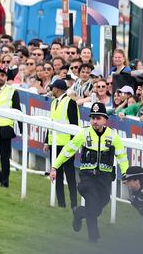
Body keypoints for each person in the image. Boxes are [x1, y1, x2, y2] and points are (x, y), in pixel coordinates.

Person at [49, 102, 129, 242]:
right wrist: (54, 167)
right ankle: (94, 237)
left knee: (98, 206)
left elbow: (122, 157)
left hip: (104, 179)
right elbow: (68, 151)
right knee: (92, 202)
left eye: (98, 118)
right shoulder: (83, 133)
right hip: (87, 178)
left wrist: (126, 174)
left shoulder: (113, 136)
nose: (95, 121)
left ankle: (79, 213)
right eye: (93, 118)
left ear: (105, 120)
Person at [44, 79, 80, 209]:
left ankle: (74, 204)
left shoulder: (70, 102)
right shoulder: (54, 102)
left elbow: (74, 125)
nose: (51, 90)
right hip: (54, 144)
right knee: (56, 175)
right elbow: (51, 123)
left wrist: (73, 145)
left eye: (52, 88)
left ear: (58, 89)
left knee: (70, 176)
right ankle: (61, 203)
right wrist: (46, 142)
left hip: (66, 145)